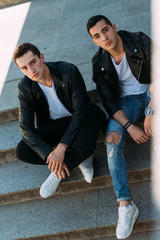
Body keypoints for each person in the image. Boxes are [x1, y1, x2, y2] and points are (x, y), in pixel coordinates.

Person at [87, 15, 152, 239]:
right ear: (94, 41)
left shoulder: (139, 40)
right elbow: (109, 101)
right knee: (111, 140)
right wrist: (130, 127)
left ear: (114, 28)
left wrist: (151, 111)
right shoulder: (99, 64)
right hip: (127, 103)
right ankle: (126, 206)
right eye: (97, 36)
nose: (104, 37)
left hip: (153, 91)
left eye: (105, 30)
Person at [13, 43, 106, 199]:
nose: (31, 70)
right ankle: (79, 157)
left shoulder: (68, 72)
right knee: (22, 151)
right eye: (24, 68)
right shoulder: (25, 87)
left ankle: (58, 173)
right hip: (56, 125)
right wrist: (50, 154)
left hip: (81, 119)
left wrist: (61, 147)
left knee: (86, 139)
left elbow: (81, 112)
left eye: (33, 62)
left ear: (41, 57)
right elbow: (25, 127)